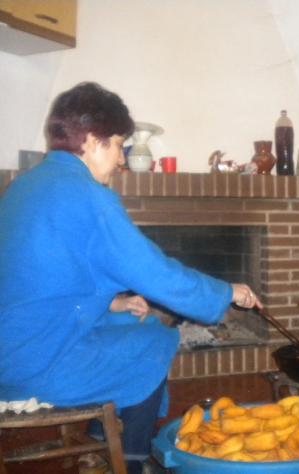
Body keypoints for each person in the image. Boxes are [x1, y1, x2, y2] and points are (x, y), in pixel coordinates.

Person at [0, 82, 262, 474]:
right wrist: (226, 292)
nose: (122, 159)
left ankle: (98, 442)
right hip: (35, 364)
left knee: (134, 322)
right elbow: (155, 273)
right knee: (155, 342)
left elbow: (38, 277)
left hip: (14, 345)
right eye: (119, 145)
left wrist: (114, 302)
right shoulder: (88, 196)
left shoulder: (25, 185)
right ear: (93, 141)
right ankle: (133, 462)